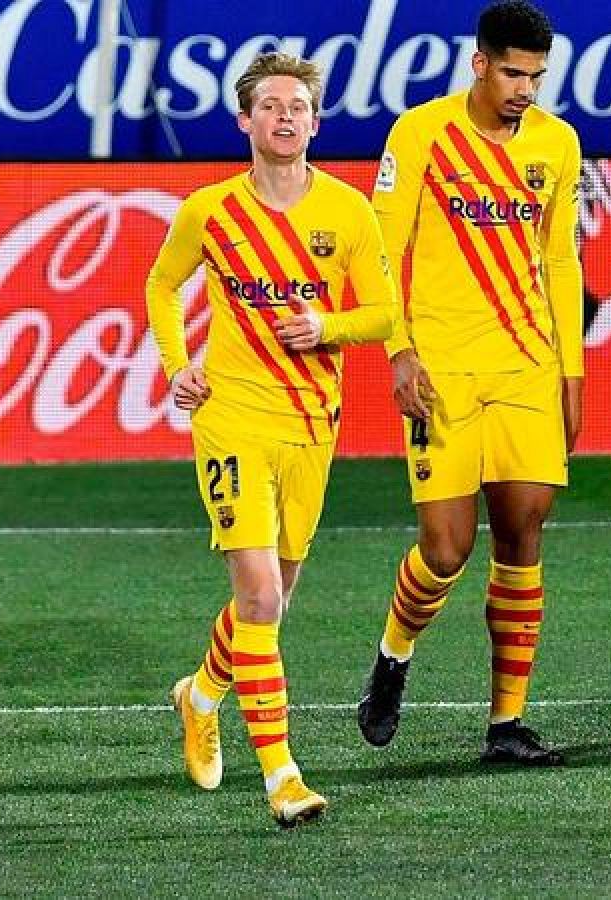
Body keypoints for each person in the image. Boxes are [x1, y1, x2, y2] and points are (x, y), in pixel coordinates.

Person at [148, 51, 398, 826]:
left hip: (312, 424)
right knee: (257, 594)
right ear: (245, 121)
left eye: (298, 106)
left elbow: (387, 314)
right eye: (271, 106)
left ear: (315, 123)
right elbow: (162, 285)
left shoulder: (350, 213)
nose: (285, 117)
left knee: (273, 600)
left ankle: (202, 693)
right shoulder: (210, 211)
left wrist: (328, 326)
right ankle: (282, 777)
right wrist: (175, 364)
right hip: (230, 420)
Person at [355, 0, 583, 766]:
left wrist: (571, 371)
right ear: (480, 63)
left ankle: (506, 724)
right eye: (514, 72)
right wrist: (398, 349)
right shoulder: (420, 132)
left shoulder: (558, 142)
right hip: (442, 372)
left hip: (527, 368)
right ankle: (393, 655)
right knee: (446, 549)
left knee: (523, 534)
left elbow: (560, 260)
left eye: (537, 75)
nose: (526, 88)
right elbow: (383, 246)